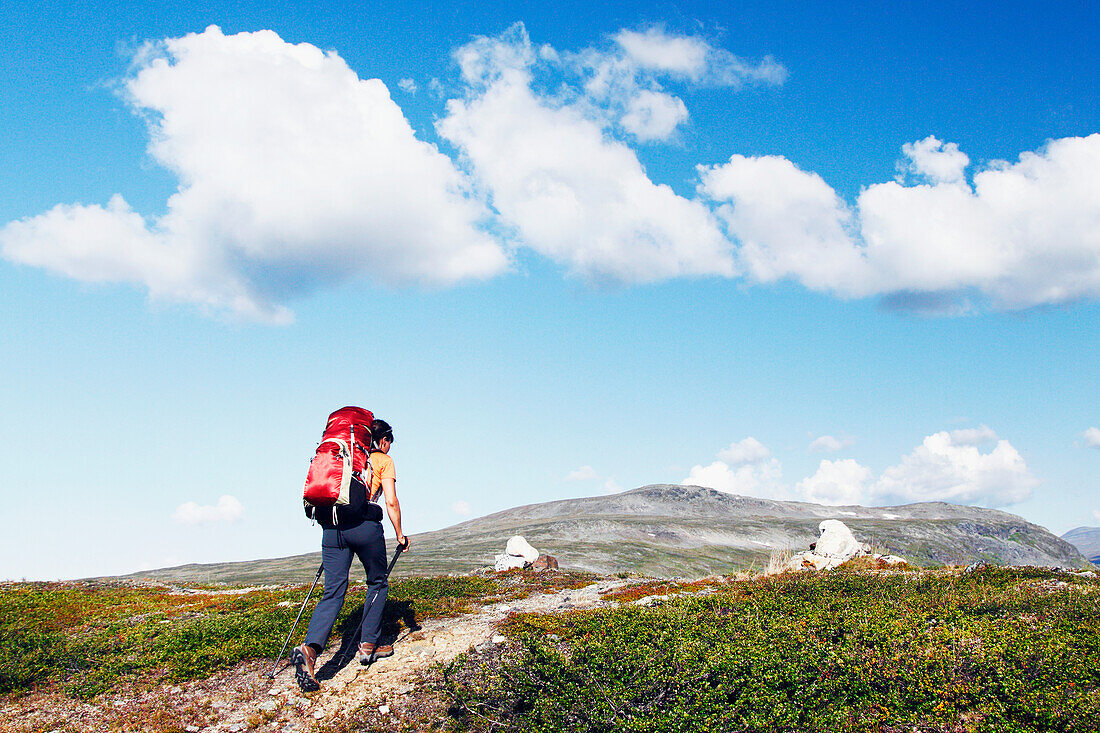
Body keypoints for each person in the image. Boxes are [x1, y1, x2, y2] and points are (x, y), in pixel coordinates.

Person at [291, 418, 409, 688]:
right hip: (365, 526)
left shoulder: (344, 457)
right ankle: (368, 645)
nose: (390, 448)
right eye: (389, 442)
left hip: (332, 528)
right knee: (377, 582)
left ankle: (309, 651)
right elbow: (390, 500)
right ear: (382, 440)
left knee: (333, 591)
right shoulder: (382, 461)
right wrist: (400, 535)